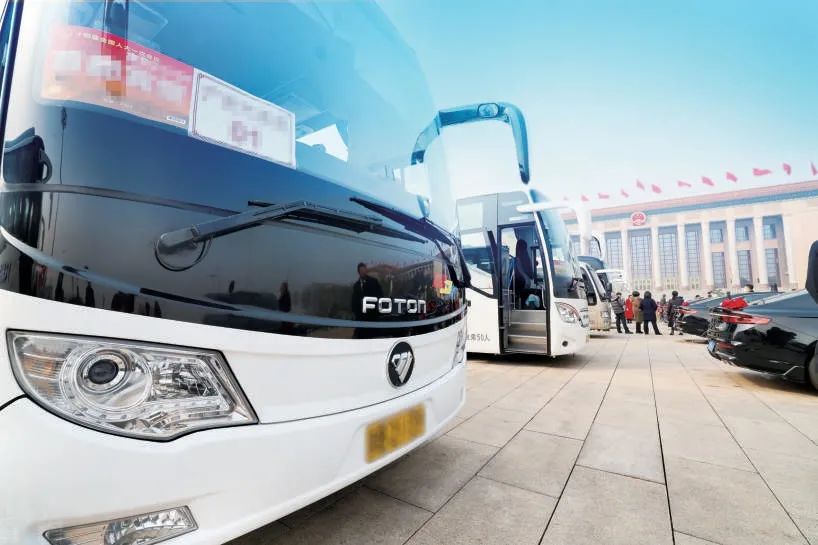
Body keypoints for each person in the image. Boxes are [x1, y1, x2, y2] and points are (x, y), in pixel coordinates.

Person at [513, 239, 536, 308]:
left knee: (521, 301)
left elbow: (520, 271)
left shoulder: (518, 258)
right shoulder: (525, 257)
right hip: (525, 282)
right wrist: (527, 279)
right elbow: (529, 273)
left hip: (522, 282)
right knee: (523, 301)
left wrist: (526, 279)